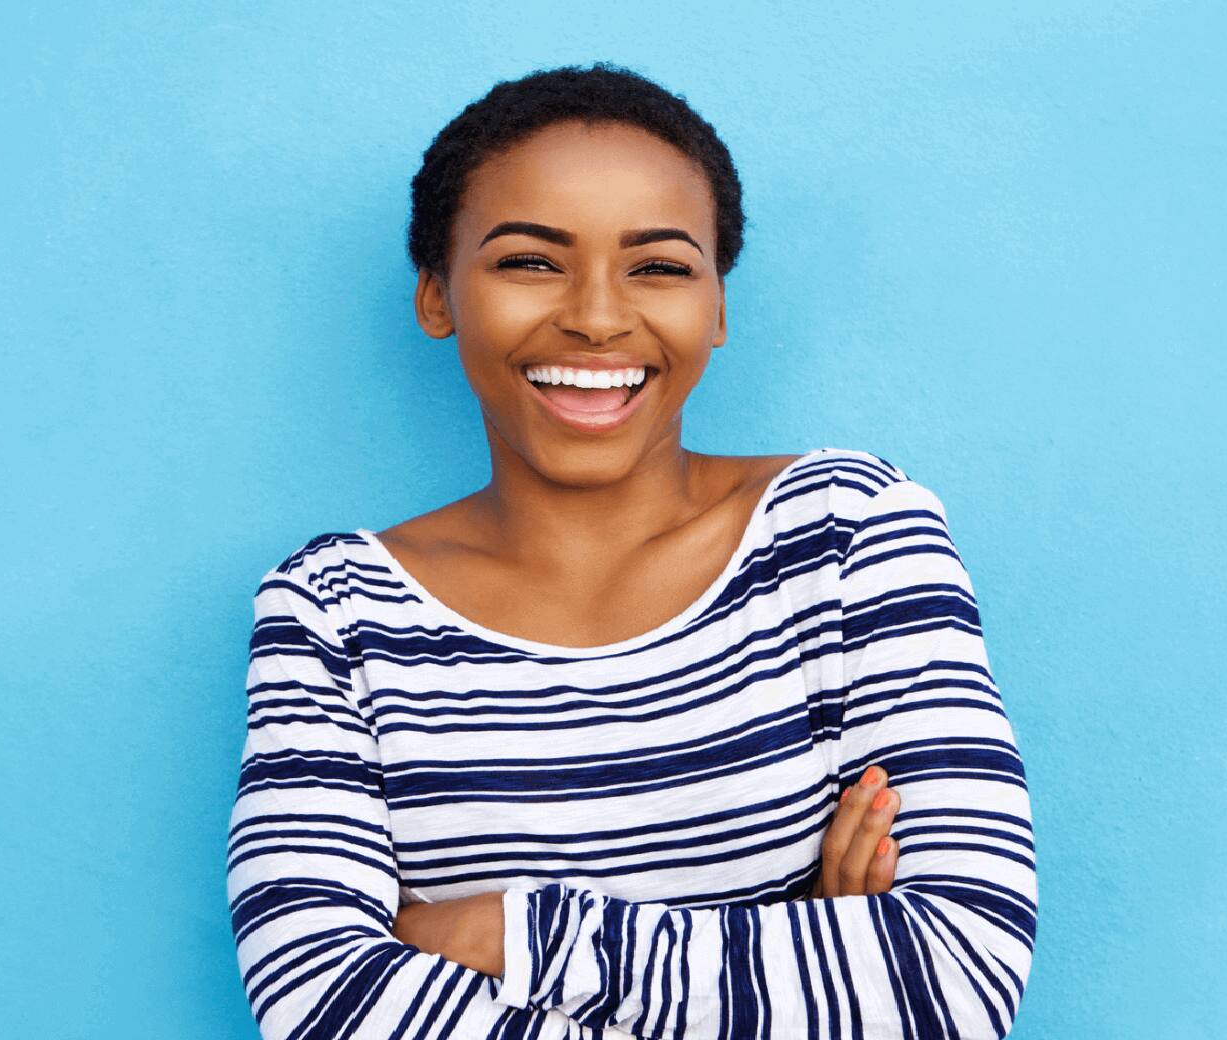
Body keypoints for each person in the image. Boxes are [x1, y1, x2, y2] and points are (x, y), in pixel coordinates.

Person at [225, 62, 1036, 1040]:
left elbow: (954, 976)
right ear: (438, 294)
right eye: (530, 261)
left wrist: (512, 930)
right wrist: (796, 953)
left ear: (720, 307)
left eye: (659, 266)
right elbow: (326, 1004)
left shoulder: (849, 531)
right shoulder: (334, 610)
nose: (600, 316)